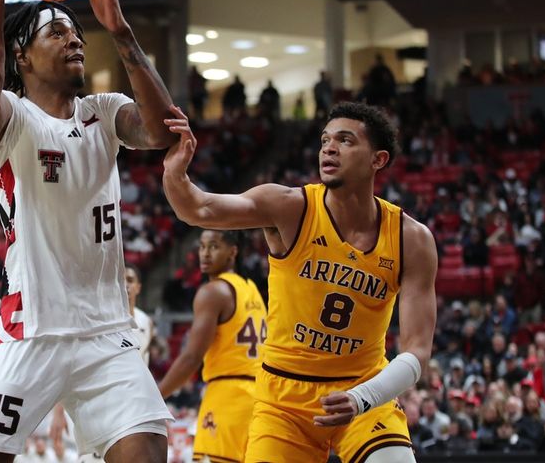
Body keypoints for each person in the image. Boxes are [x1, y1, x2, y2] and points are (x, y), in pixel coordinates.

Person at [0, 0, 176, 463]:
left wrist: (122, 33)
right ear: (22, 56)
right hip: (32, 327)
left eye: (78, 32)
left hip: (107, 332)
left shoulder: (103, 113)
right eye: (56, 32)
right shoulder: (13, 119)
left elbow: (159, 130)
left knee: (148, 452)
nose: (75, 39)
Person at [161, 101, 437, 463]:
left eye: (345, 140)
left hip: (363, 389)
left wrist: (362, 397)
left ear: (378, 159)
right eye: (325, 140)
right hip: (283, 399)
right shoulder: (290, 207)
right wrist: (174, 173)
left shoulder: (410, 238)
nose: (329, 148)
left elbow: (417, 351)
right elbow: (198, 209)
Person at [156, 229, 267, 462]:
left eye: (214, 246)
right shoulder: (251, 290)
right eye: (202, 246)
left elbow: (191, 358)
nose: (205, 253)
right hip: (259, 399)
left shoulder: (212, 291)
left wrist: (154, 398)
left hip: (227, 398)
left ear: (232, 252)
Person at [126, 264, 154, 364]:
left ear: (138, 287)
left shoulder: (147, 321)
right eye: (120, 280)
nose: (125, 284)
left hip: (141, 378)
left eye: (130, 280)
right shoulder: (107, 321)